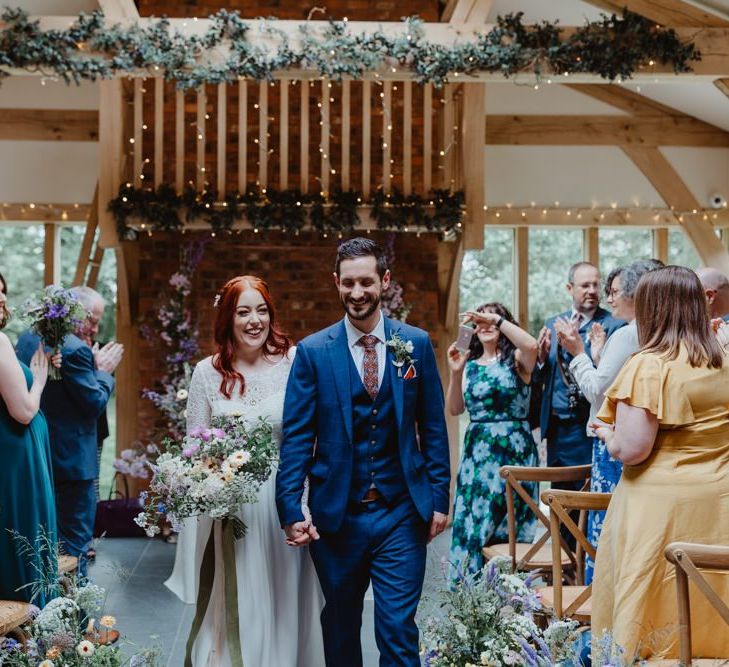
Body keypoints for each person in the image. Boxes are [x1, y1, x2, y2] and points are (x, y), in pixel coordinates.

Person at [276, 238, 450, 667]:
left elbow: (432, 426)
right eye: (348, 283)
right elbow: (297, 436)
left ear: (384, 282)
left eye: (366, 282)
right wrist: (290, 509)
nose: (357, 293)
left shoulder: (416, 343)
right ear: (337, 283)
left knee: (397, 630)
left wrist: (440, 498)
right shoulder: (314, 352)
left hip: (401, 513)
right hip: (337, 518)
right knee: (339, 626)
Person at [165, 276, 324, 667]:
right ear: (227, 318)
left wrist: (303, 505)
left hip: (285, 500)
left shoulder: (294, 361)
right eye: (243, 312)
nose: (255, 320)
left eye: (262, 310)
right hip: (232, 509)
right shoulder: (206, 372)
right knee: (240, 601)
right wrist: (204, 486)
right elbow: (195, 449)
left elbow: (310, 439)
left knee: (286, 596)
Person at [592, 266, 729, 660]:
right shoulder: (722, 357)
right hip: (718, 502)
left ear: (651, 309)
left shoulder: (649, 364)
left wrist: (606, 434)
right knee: (713, 597)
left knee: (655, 611)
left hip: (661, 510)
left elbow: (633, 448)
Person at [558, 259, 661, 583]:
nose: (609, 298)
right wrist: (600, 356)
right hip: (643, 441)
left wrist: (577, 353)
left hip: (613, 440)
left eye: (615, 291)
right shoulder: (651, 331)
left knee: (607, 525)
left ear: (634, 294)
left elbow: (597, 390)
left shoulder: (628, 334)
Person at [16, 286, 122, 577]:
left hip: (38, 452)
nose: (96, 327)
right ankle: (77, 615)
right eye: (93, 319)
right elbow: (94, 403)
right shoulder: (75, 349)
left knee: (42, 538)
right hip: (74, 463)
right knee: (75, 541)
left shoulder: (26, 339)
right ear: (76, 313)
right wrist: (103, 372)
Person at [445, 303, 539, 584]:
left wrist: (495, 319)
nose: (484, 325)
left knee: (511, 525)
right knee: (476, 525)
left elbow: (532, 344)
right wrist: (455, 372)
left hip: (515, 453)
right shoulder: (469, 366)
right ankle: (473, 599)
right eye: (479, 321)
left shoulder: (519, 360)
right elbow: (454, 409)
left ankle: (510, 600)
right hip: (478, 456)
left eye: (490, 320)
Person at [533, 261, 623, 479]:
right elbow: (543, 374)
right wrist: (541, 359)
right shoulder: (553, 322)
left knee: (586, 495)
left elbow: (610, 377)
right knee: (559, 498)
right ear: (569, 288)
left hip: (589, 426)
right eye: (585, 286)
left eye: (595, 285)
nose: (592, 291)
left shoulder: (614, 325)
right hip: (556, 429)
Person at [0, 272, 58, 606]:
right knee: (24, 536)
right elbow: (23, 411)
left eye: (3, 290)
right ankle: (37, 626)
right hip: (16, 460)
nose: (2, 298)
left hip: (12, 454)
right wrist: (38, 380)